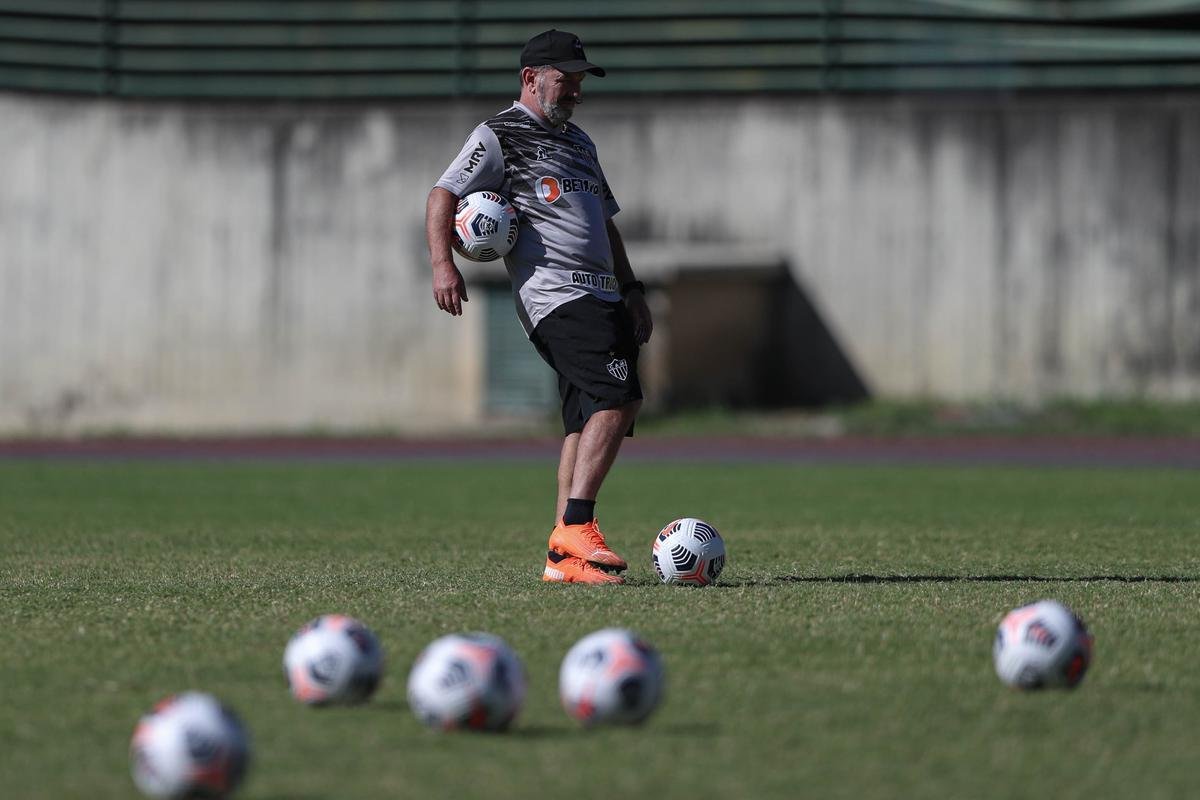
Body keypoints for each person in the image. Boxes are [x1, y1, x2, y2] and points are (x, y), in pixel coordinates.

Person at [426, 29, 652, 585]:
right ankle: (577, 527)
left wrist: (632, 288)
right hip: (557, 293)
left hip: (602, 293)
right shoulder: (498, 134)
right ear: (531, 78)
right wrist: (442, 264)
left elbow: (605, 223)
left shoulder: (581, 142)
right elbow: (442, 195)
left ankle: (564, 560)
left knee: (582, 421)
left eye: (579, 79)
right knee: (617, 399)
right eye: (565, 78)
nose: (575, 88)